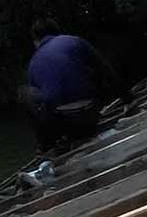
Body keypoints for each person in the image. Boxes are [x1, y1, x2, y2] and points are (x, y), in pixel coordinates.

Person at [18, 20, 118, 183]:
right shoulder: (74, 41)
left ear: (36, 41)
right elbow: (105, 70)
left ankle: (46, 147)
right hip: (91, 115)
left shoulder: (34, 62)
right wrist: (128, 101)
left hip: (64, 124)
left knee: (25, 93)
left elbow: (40, 108)